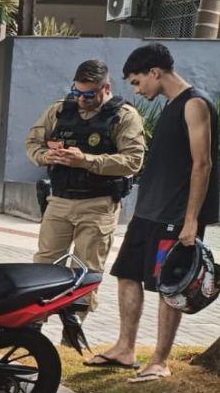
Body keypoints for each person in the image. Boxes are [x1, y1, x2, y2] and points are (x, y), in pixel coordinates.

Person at [86, 43, 218, 381]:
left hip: (175, 216)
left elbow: (202, 165)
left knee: (168, 286)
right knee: (127, 273)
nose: (136, 88)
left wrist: (191, 221)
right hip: (148, 213)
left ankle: (160, 361)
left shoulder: (195, 104)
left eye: (136, 81)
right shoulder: (173, 104)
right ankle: (125, 348)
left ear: (155, 73)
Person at [24, 59, 145, 315]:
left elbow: (133, 161)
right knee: (43, 266)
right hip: (59, 201)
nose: (81, 99)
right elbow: (33, 142)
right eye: (77, 91)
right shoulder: (59, 110)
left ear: (106, 87)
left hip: (98, 205)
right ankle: (32, 329)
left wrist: (86, 161)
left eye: (89, 94)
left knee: (86, 273)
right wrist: (46, 156)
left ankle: (72, 337)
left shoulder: (123, 116)